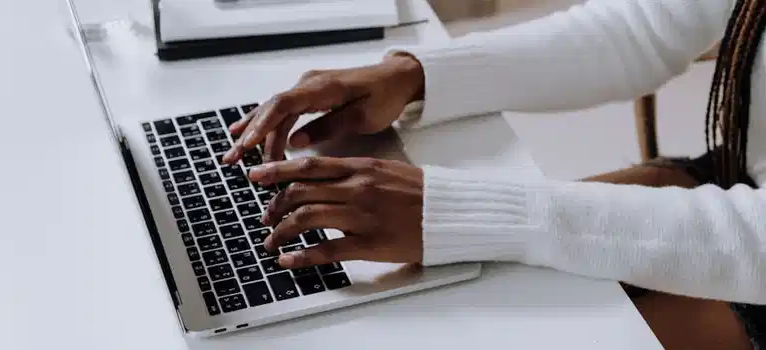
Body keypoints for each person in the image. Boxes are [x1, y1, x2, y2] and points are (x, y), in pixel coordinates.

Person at [222, 0, 766, 348]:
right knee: (446, 300)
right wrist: (415, 75)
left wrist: (467, 211)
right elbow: (645, 28)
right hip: (739, 178)